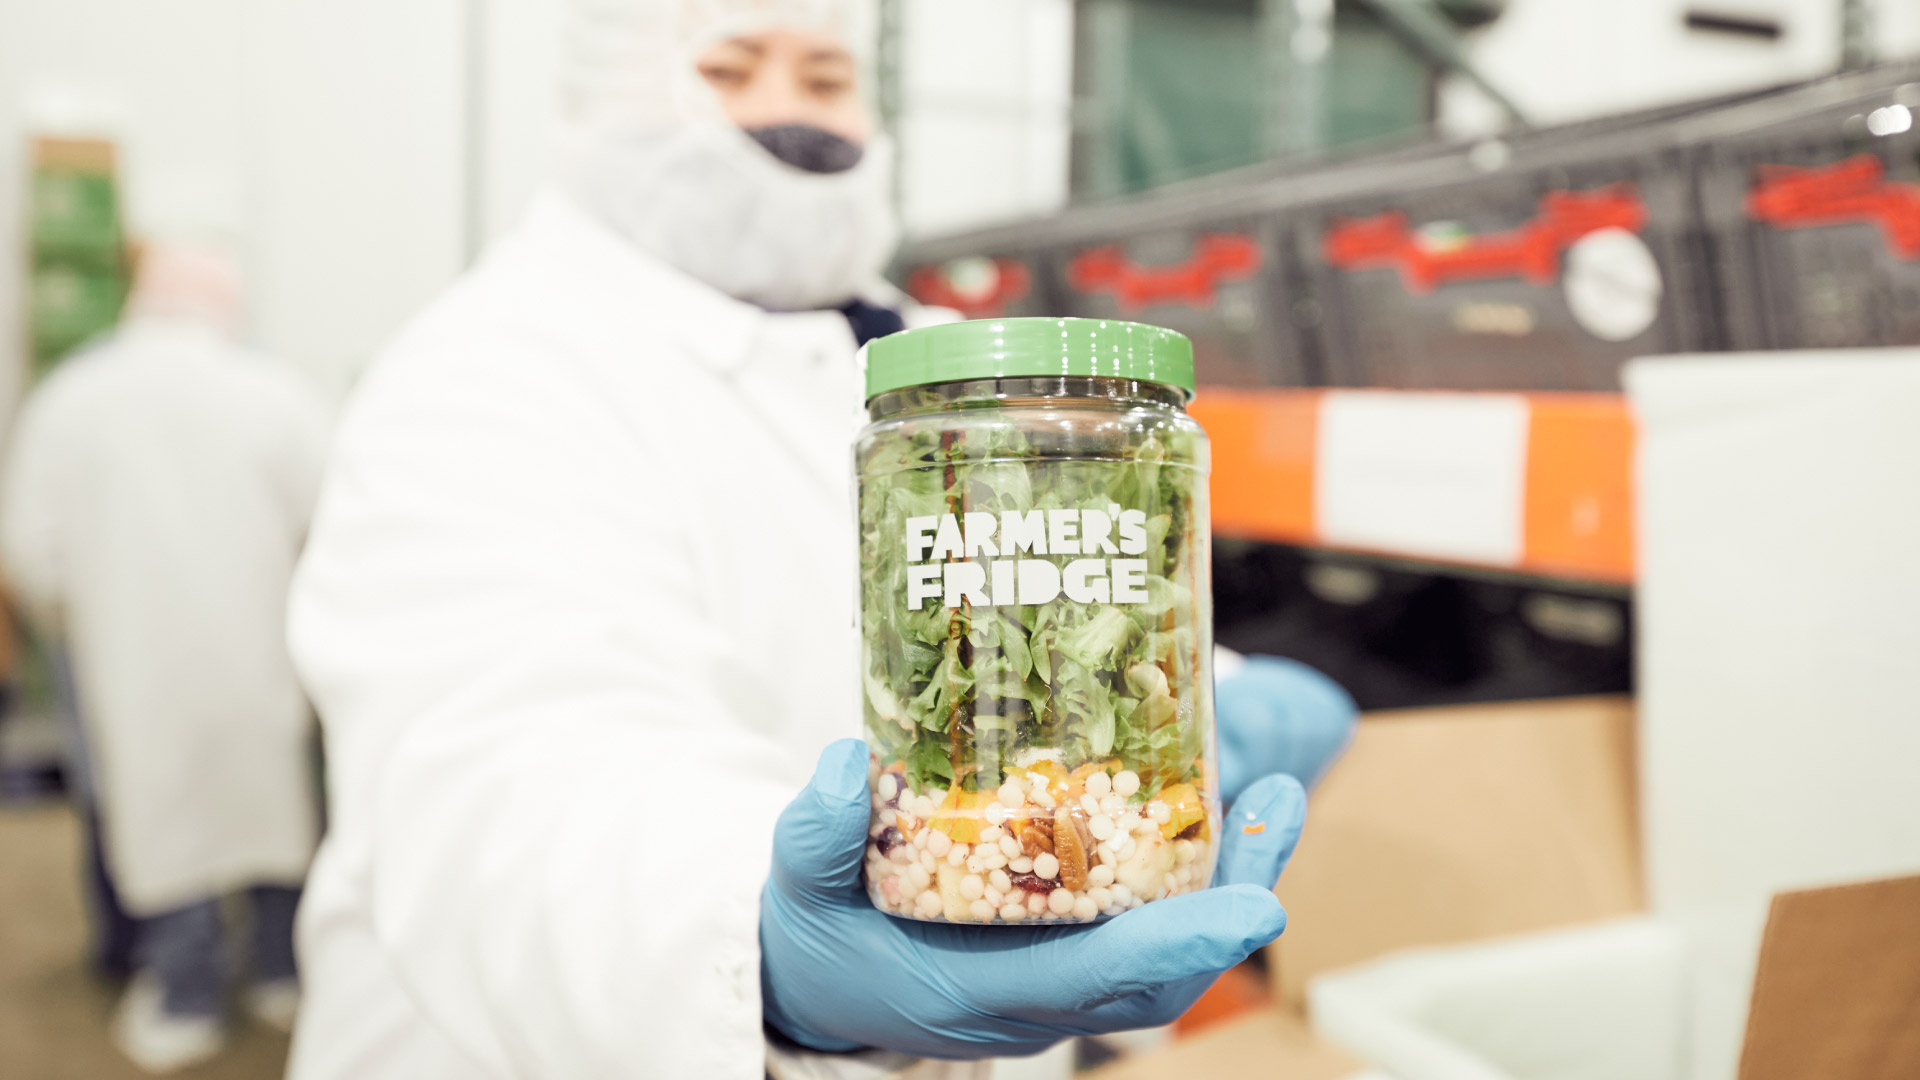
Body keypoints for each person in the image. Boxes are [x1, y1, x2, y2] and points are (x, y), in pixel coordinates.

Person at [283, 2, 1356, 1077]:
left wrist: (1213, 699)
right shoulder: (483, 373)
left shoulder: (929, 359)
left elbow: (1051, 598)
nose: (789, 114)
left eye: (827, 78)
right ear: (607, 104)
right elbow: (507, 762)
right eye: (730, 69)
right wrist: (758, 953)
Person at [0, 237, 332, 1072]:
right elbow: (330, 528)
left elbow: (31, 550)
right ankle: (281, 972)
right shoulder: (279, 394)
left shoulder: (71, 398)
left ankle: (186, 992)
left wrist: (80, 627)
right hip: (261, 652)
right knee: (272, 806)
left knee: (161, 815)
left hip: (128, 661)